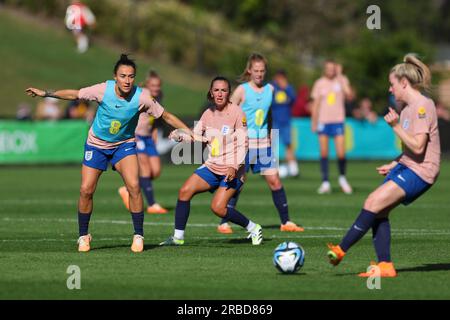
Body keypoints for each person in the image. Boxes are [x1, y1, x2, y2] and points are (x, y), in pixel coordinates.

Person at [25, 54, 192, 253]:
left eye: (131, 76)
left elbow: (166, 116)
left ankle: (138, 235)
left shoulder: (142, 97)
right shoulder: (103, 89)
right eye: (123, 76)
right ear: (115, 76)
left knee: (134, 186)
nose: (127, 80)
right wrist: (46, 93)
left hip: (124, 145)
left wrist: (189, 131)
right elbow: (75, 94)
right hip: (96, 145)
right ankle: (83, 236)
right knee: (86, 190)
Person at [327, 54, 440, 277]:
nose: (390, 90)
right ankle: (385, 266)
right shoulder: (407, 108)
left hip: (422, 170)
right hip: (408, 166)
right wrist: (395, 162)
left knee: (373, 202)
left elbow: (418, 148)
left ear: (404, 83)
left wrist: (396, 126)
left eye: (392, 84)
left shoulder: (422, 106)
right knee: (378, 211)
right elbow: (411, 150)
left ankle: (340, 250)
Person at [159, 76, 263, 246]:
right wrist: (180, 135)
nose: (220, 94)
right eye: (216, 90)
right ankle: (178, 238)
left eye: (223, 90)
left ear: (229, 93)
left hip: (232, 170)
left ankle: (253, 228)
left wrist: (234, 166)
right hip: (212, 166)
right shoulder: (208, 113)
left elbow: (244, 143)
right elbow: (196, 135)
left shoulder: (237, 112)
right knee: (184, 191)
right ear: (211, 93)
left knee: (218, 208)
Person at [217, 53, 304, 234]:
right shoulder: (242, 90)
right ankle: (224, 222)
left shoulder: (270, 90)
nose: (259, 74)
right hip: (244, 144)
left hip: (263, 144)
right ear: (249, 70)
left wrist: (270, 135)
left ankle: (286, 222)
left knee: (275, 181)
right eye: (256, 70)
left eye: (262, 70)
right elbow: (228, 112)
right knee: (238, 181)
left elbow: (268, 115)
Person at [118, 70, 168, 214]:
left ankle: (126, 189)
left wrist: (154, 131)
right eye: (153, 85)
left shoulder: (159, 96)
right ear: (147, 85)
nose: (156, 88)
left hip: (148, 137)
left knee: (156, 171)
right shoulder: (141, 94)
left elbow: (155, 116)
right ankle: (152, 204)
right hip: (137, 135)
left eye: (158, 85)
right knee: (145, 168)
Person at [311, 60, 353, 194]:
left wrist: (340, 76)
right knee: (324, 153)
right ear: (324, 69)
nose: (331, 70)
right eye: (328, 68)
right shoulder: (319, 83)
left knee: (341, 153)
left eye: (333, 68)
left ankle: (342, 178)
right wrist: (314, 121)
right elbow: (316, 104)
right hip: (323, 121)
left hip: (338, 120)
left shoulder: (341, 80)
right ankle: (325, 182)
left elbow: (350, 95)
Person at [271, 69, 299, 178]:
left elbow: (294, 100)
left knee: (288, 144)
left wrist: (286, 88)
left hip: (286, 121)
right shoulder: (272, 88)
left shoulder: (288, 88)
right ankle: (272, 168)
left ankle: (293, 169)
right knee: (273, 145)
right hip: (274, 121)